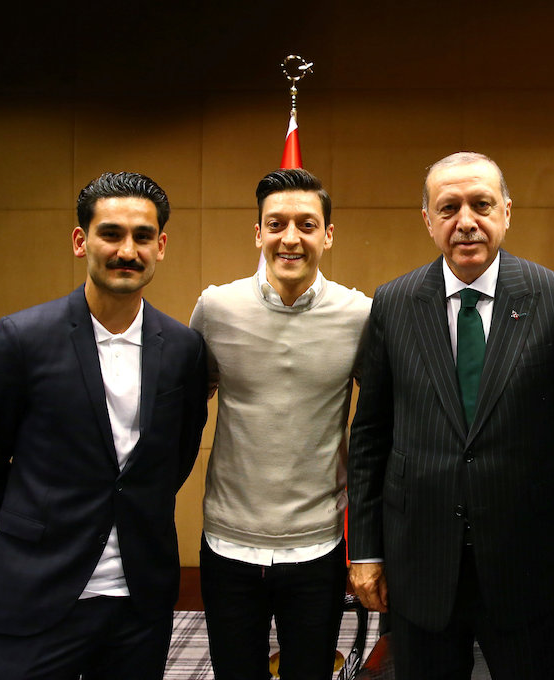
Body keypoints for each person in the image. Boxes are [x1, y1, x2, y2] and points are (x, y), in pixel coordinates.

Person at [347, 151, 554, 679]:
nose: (466, 221)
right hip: (419, 566)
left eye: (481, 204)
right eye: (449, 207)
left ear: (506, 211)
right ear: (428, 220)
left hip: (527, 568)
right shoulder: (393, 303)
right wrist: (365, 550)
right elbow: (370, 437)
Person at [0, 171, 209, 679]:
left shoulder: (184, 348)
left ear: (160, 246)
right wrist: (33, 524)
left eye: (142, 237)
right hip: (39, 587)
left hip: (140, 599)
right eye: (111, 234)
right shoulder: (22, 338)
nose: (127, 251)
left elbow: (175, 457)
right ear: (81, 241)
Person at [189, 168, 371, 679]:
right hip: (227, 543)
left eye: (306, 224)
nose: (290, 237)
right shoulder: (215, 308)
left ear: (327, 235)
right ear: (258, 232)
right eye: (276, 224)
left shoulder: (360, 315)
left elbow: (381, 425)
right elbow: (182, 411)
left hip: (318, 546)